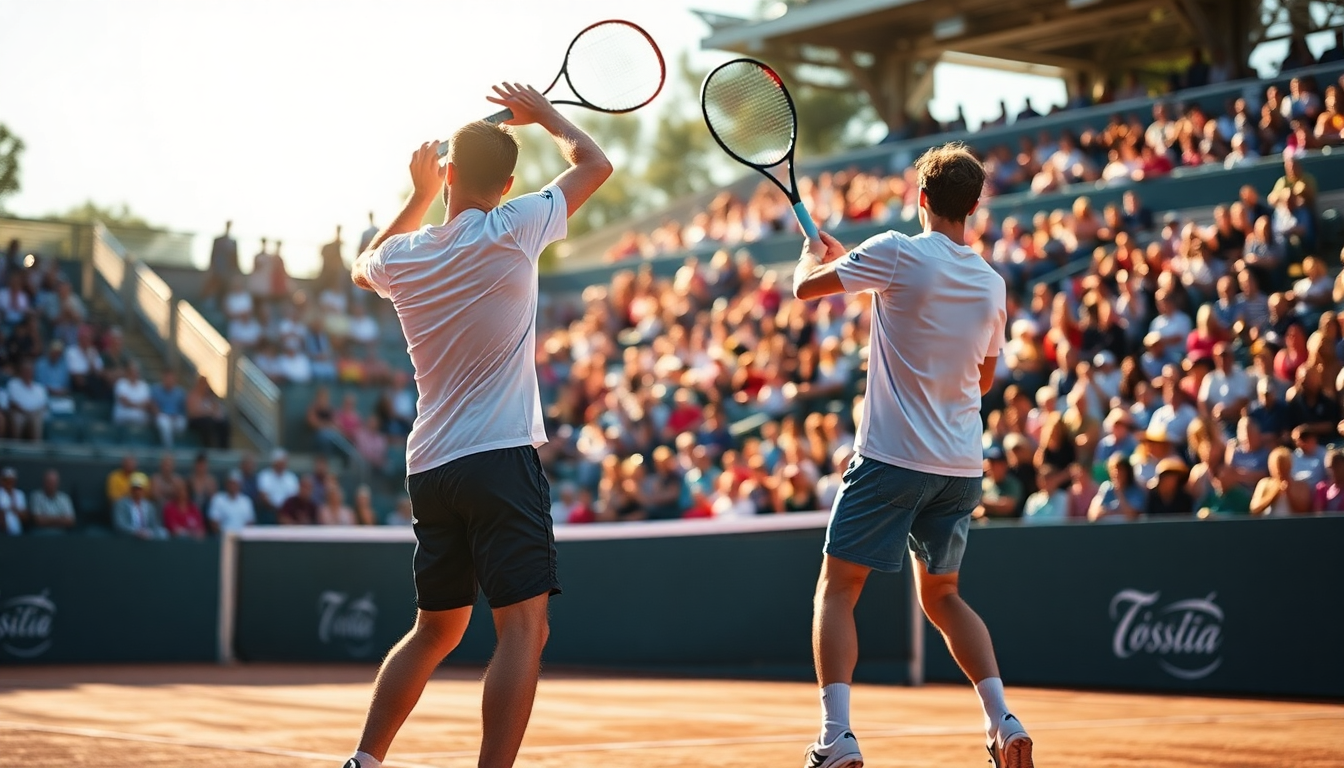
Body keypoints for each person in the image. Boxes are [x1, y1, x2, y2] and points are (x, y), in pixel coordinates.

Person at [342, 82, 613, 768]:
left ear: (450, 174)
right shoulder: (517, 225)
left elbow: (359, 267)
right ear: (511, 183)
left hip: (431, 468)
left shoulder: (405, 257)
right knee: (523, 628)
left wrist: (417, 194)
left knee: (434, 630)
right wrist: (547, 115)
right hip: (499, 459)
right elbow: (594, 164)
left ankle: (365, 760)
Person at [791, 143, 1032, 768]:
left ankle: (836, 736)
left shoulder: (896, 251)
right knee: (944, 597)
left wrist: (810, 255)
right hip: (959, 470)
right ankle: (1003, 721)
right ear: (973, 206)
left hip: (891, 459)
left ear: (920, 198)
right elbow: (982, 381)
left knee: (837, 590)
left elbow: (803, 290)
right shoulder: (991, 282)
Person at [113, 472, 167, 539]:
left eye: (140, 489)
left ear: (144, 490)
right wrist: (136, 532)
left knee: (163, 532)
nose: (137, 492)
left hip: (147, 536)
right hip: (129, 537)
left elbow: (154, 525)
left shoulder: (149, 506)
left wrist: (148, 532)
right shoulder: (121, 504)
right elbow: (120, 524)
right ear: (131, 489)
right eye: (135, 489)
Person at [256, 448, 299, 525]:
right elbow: (264, 497)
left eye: (284, 462)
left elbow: (294, 498)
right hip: (270, 510)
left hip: (287, 511)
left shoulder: (291, 477)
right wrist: (277, 510)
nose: (282, 464)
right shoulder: (265, 475)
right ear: (274, 462)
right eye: (280, 462)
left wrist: (284, 511)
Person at [151, 369, 188, 447]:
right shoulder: (156, 390)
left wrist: (176, 415)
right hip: (162, 415)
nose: (169, 380)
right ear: (163, 378)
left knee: (182, 423)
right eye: (167, 378)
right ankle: (168, 448)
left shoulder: (180, 392)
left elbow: (183, 409)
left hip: (175, 417)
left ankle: (179, 446)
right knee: (164, 423)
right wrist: (159, 413)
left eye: (171, 378)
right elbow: (153, 406)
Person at [0, 468, 30, 535]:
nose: (9, 483)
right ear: (2, 481)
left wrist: (16, 510)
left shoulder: (20, 494)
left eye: (11, 480)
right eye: (6, 480)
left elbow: (25, 516)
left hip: (17, 533)